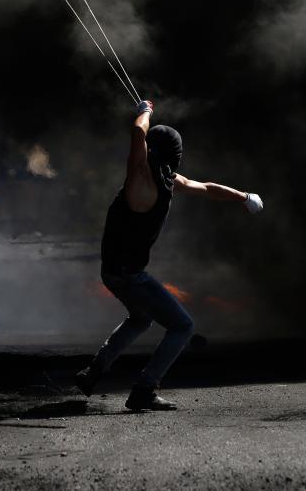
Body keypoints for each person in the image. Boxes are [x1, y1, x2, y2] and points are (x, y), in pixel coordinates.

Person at [76, 99, 264, 411]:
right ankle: (144, 390)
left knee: (140, 319)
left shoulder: (165, 178)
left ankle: (92, 372)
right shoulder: (140, 178)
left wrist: (243, 197)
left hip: (114, 272)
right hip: (128, 275)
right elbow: (138, 133)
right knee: (183, 326)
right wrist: (145, 111)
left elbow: (205, 187)